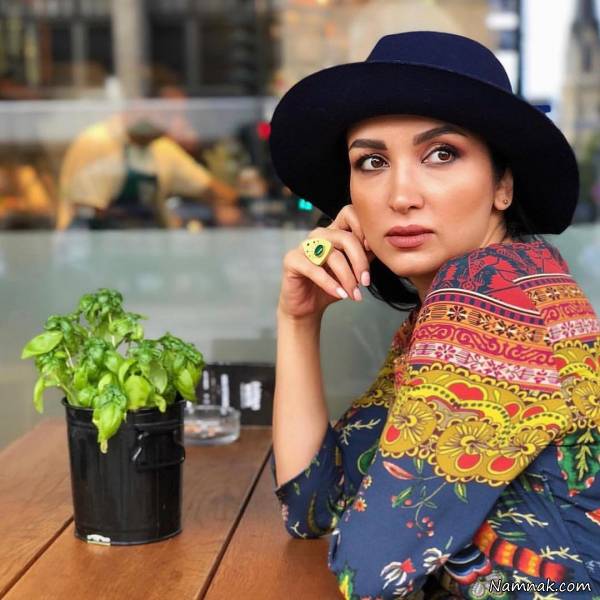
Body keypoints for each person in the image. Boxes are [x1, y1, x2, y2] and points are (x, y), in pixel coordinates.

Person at [268, 31, 600, 599]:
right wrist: (297, 319)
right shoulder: (469, 298)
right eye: (372, 162)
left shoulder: (494, 295)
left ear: (502, 185)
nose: (401, 195)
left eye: (441, 154)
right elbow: (312, 507)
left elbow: (369, 572)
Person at [56, 111, 240, 230]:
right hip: (96, 250)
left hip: (145, 251)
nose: (177, 122)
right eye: (170, 115)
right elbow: (85, 212)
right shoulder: (97, 141)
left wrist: (238, 202)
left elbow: (209, 188)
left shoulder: (162, 148)